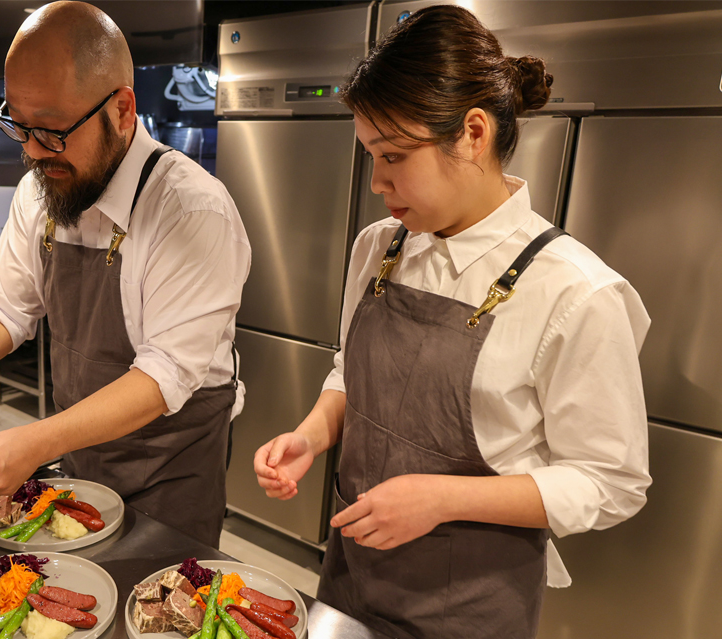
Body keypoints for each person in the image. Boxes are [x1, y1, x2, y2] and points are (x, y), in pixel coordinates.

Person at [253, 6, 651, 638]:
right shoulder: (379, 247)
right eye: (370, 156)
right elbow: (351, 373)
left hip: (471, 601)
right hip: (352, 572)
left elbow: (610, 481)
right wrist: (311, 435)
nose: (377, 182)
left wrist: (442, 498)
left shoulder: (576, 291)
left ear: (472, 133)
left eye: (394, 156)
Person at [0, 1, 250, 547]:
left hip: (170, 473)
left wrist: (35, 442)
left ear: (122, 110)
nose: (34, 152)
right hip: (81, 455)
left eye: (53, 130)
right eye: (19, 125)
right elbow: (4, 307)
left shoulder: (191, 209)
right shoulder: (41, 188)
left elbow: (165, 375)